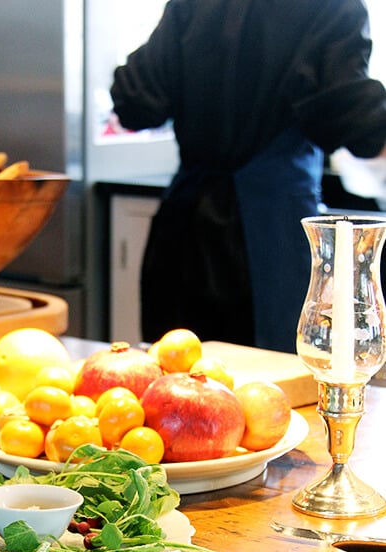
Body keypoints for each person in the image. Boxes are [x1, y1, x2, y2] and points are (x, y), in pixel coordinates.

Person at [110, 0, 386, 352]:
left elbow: (134, 100)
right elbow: (354, 118)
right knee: (276, 388)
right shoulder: (331, 6)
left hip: (183, 231)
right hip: (273, 237)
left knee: (177, 378)